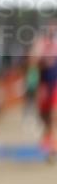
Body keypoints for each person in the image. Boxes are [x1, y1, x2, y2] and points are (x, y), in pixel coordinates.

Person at [30, 22, 57, 162]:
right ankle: (50, 144)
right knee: (44, 117)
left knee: (53, 116)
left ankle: (53, 148)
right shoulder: (42, 43)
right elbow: (32, 61)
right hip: (45, 83)